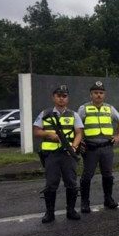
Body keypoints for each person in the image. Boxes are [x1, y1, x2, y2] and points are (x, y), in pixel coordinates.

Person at [33, 85, 83, 223]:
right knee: (51, 184)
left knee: (71, 183)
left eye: (64, 96)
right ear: (53, 97)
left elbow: (79, 133)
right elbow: (36, 131)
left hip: (68, 154)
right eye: (59, 96)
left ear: (68, 98)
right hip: (51, 155)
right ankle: (49, 213)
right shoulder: (45, 113)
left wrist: (74, 146)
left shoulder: (74, 114)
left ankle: (71, 210)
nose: (61, 98)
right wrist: (49, 134)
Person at [78, 81, 119, 213]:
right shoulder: (84, 108)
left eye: (101, 93)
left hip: (106, 147)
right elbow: (77, 126)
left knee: (108, 175)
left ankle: (108, 199)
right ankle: (85, 202)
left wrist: (118, 136)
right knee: (87, 175)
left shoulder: (109, 108)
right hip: (90, 148)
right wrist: (79, 140)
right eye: (96, 93)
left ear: (104, 95)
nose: (98, 95)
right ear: (91, 94)